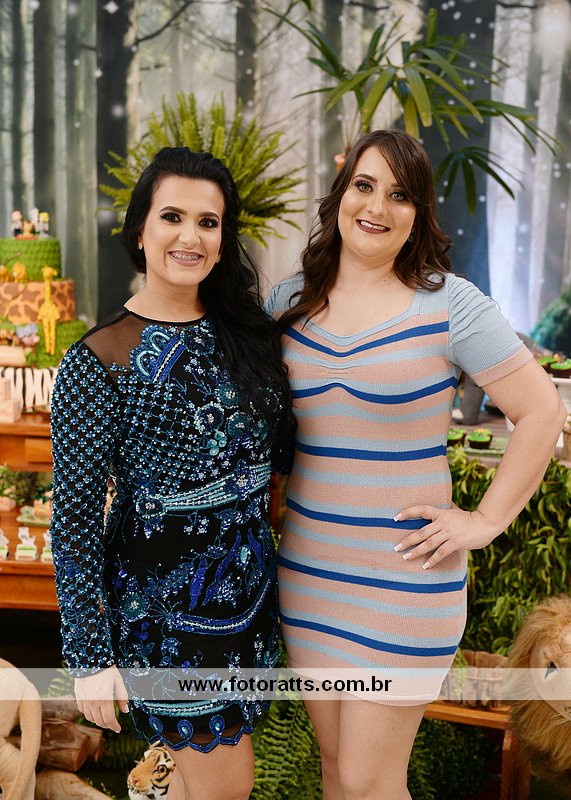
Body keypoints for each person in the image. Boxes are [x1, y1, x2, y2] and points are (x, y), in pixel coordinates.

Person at [266, 129, 566, 800]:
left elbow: (541, 411)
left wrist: (484, 521)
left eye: (399, 195)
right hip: (310, 576)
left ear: (418, 212)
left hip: (404, 582)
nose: (376, 206)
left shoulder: (449, 304)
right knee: (336, 772)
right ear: (340, 195)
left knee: (370, 781)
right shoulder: (287, 303)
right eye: (363, 186)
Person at [50, 147, 292, 800]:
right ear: (140, 230)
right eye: (172, 217)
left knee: (188, 783)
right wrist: (89, 659)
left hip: (248, 606)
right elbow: (73, 523)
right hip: (162, 618)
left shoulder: (249, 334)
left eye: (208, 222)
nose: (191, 236)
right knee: (227, 788)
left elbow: (280, 457)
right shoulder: (97, 361)